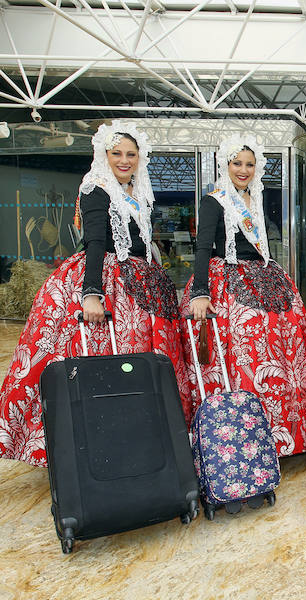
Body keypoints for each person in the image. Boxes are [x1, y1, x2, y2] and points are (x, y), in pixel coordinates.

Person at [0, 121, 189, 467]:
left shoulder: (137, 192)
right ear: (104, 154)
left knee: (143, 362)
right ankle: (89, 443)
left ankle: (141, 436)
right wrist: (91, 293)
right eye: (117, 153)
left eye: (131, 154)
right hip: (106, 278)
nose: (124, 160)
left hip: (142, 284)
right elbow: (96, 241)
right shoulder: (96, 187)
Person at [184, 134, 306, 457]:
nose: (243, 170)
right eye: (237, 163)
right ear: (225, 164)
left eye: (250, 164)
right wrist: (200, 292)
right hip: (227, 282)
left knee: (278, 350)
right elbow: (202, 248)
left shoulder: (255, 199)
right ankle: (236, 435)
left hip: (263, 278)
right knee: (240, 353)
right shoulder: (213, 199)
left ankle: (275, 433)